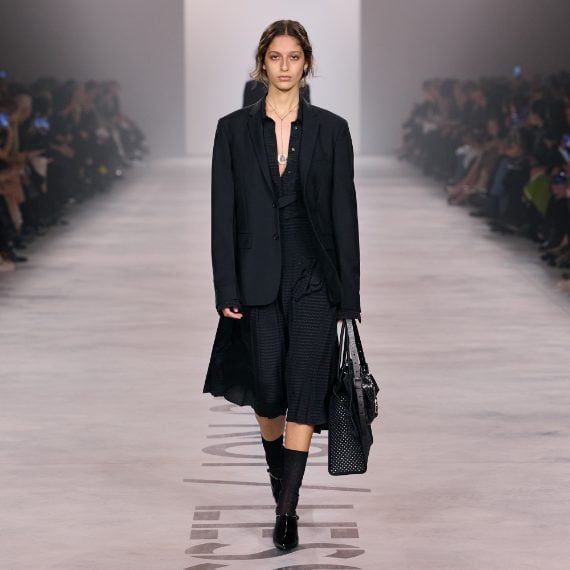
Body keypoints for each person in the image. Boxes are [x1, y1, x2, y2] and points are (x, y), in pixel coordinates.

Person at [203, 19, 361, 551]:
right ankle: (280, 479)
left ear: (306, 63)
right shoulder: (232, 129)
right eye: (276, 57)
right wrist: (226, 287)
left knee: (305, 386)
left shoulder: (332, 130)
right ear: (262, 63)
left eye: (294, 57)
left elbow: (344, 216)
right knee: (268, 392)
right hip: (257, 278)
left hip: (314, 275)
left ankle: (287, 508)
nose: (285, 66)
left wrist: (349, 296)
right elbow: (222, 215)